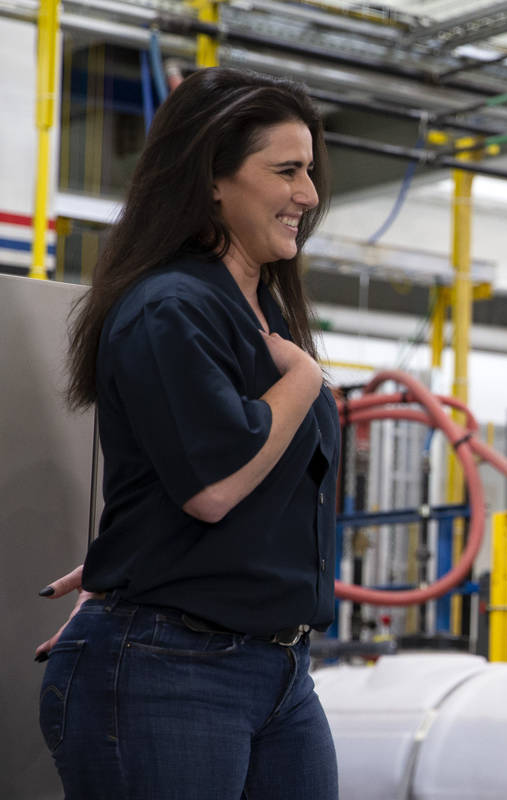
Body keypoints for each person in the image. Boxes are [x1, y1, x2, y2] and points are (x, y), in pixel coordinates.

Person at [34, 67, 340, 799]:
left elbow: (252, 483)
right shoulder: (172, 306)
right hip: (171, 669)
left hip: (281, 670)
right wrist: (305, 381)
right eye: (286, 171)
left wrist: (139, 552)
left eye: (310, 171)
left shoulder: (266, 312)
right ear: (212, 179)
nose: (310, 194)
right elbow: (211, 486)